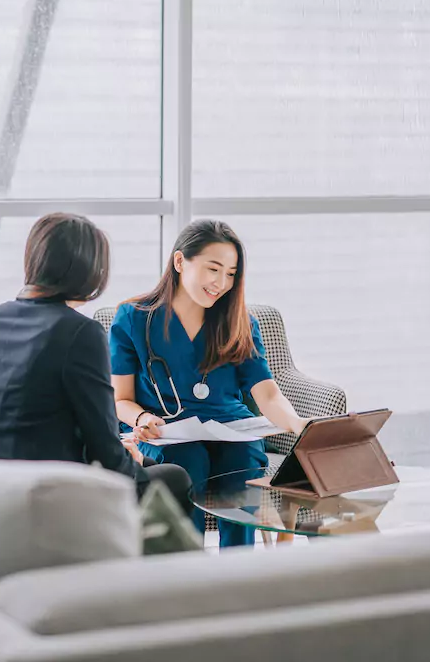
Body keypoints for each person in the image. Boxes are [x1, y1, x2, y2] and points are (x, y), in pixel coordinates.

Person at [0, 213, 194, 516]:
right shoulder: (79, 332)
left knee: (151, 465)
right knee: (175, 478)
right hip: (53, 487)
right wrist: (129, 462)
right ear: (89, 270)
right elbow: (103, 443)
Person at [109, 219, 308, 547]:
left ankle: (236, 570)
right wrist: (142, 419)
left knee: (242, 462)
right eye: (213, 269)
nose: (221, 283)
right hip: (167, 433)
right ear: (179, 262)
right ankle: (185, 569)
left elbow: (267, 393)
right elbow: (122, 400)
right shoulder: (133, 318)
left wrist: (298, 425)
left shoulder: (240, 322)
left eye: (230, 273)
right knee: (188, 463)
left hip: (232, 429)